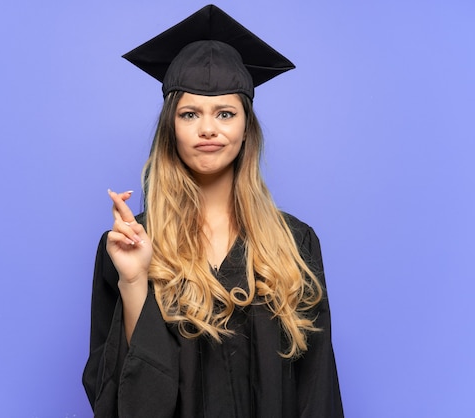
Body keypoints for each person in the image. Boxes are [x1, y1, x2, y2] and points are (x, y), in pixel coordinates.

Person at [83, 4, 343, 417]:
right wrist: (134, 281)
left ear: (246, 129)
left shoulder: (295, 243)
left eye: (225, 113)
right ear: (172, 128)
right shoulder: (130, 246)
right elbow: (126, 397)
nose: (208, 128)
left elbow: (318, 390)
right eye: (190, 114)